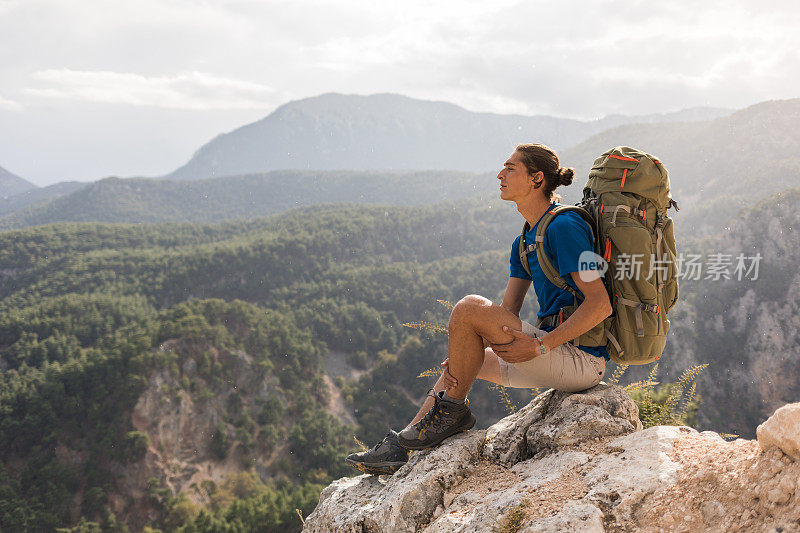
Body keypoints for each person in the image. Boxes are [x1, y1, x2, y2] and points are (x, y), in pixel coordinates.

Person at [346, 143, 612, 476]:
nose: (500, 174)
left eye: (510, 168)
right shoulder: (525, 241)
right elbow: (505, 317)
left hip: (584, 361)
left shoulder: (564, 228)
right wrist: (468, 349)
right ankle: (400, 448)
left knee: (468, 306)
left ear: (537, 179)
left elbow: (600, 304)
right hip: (553, 355)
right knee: (460, 363)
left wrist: (541, 344)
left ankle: (453, 412)